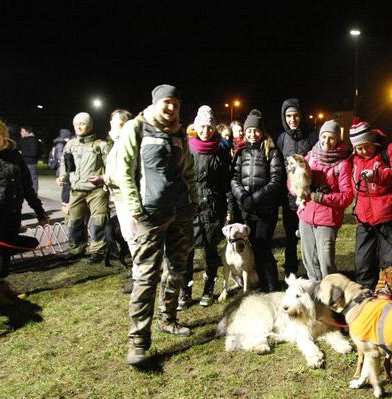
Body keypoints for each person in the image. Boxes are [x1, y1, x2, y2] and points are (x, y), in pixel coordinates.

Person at [114, 84, 198, 367]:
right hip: (149, 217)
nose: (171, 108)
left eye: (175, 103)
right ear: (155, 103)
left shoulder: (178, 133)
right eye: (166, 102)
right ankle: (138, 341)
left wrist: (193, 202)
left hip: (180, 213)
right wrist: (135, 208)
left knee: (177, 269)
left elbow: (188, 171)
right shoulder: (136, 128)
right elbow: (124, 171)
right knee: (146, 276)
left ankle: (169, 319)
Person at [178, 105, 231, 307]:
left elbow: (226, 180)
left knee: (210, 249)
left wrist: (228, 208)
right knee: (187, 250)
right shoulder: (187, 146)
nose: (206, 131)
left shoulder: (221, 148)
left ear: (214, 128)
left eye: (209, 127)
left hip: (213, 205)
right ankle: (185, 291)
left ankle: (209, 289)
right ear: (196, 127)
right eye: (202, 127)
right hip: (190, 204)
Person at [0, 117, 48, 306]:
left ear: (4, 136)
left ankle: (2, 286)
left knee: (6, 249)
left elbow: (26, 186)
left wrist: (40, 212)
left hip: (12, 210)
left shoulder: (14, 156)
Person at [349, 118, 392, 290]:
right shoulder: (354, 158)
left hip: (390, 218)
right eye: (359, 148)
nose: (364, 151)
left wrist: (379, 176)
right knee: (363, 263)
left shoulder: (390, 149)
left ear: (373, 140)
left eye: (367, 146)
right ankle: (366, 298)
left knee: (391, 264)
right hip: (364, 220)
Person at [230, 109, 284, 292]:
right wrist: (243, 197)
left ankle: (272, 286)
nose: (252, 134)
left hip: (265, 210)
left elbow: (276, 179)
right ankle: (260, 283)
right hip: (246, 209)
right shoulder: (241, 153)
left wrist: (256, 197)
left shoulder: (272, 152)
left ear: (262, 131)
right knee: (252, 248)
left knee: (263, 248)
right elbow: (234, 178)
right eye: (249, 130)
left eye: (256, 130)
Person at [294, 119, 353, 280]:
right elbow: (294, 179)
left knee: (326, 261)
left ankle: (331, 294)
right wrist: (297, 189)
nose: (326, 141)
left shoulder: (342, 164)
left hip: (327, 219)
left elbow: (347, 196)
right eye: (324, 136)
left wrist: (322, 197)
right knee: (309, 260)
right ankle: (315, 291)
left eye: (331, 138)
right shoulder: (311, 156)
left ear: (338, 139)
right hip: (306, 215)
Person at [57, 112, 110, 263]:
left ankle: (98, 251)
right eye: (76, 124)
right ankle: (76, 249)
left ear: (90, 125)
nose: (79, 127)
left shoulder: (101, 145)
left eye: (82, 123)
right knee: (74, 221)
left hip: (97, 191)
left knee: (100, 221)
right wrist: (63, 176)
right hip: (76, 190)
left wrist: (102, 178)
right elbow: (65, 164)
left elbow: (112, 167)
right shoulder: (70, 145)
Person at [276, 98, 318, 277]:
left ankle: (314, 273)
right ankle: (290, 272)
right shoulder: (282, 138)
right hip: (289, 198)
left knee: (310, 238)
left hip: (309, 197)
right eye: (288, 116)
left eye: (295, 115)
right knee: (290, 238)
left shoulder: (312, 136)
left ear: (301, 116)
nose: (292, 120)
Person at [98, 108, 135, 293]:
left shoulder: (127, 144)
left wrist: (104, 179)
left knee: (134, 238)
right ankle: (139, 274)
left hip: (128, 199)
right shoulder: (116, 144)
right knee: (130, 238)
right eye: (113, 123)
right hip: (119, 198)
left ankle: (140, 279)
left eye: (119, 124)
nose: (114, 127)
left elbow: (126, 175)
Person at [48, 128, 73, 208]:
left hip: (64, 168)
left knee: (66, 186)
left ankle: (65, 202)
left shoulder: (60, 143)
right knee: (67, 186)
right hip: (64, 168)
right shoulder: (61, 144)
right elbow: (61, 157)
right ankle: (65, 202)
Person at [19, 125, 43, 193]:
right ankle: (24, 192)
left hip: (31, 163)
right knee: (23, 179)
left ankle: (34, 192)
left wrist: (22, 153)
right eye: (21, 131)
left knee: (33, 178)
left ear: (27, 132)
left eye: (23, 131)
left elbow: (33, 153)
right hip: (23, 163)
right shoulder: (22, 140)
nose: (21, 132)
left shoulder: (33, 140)